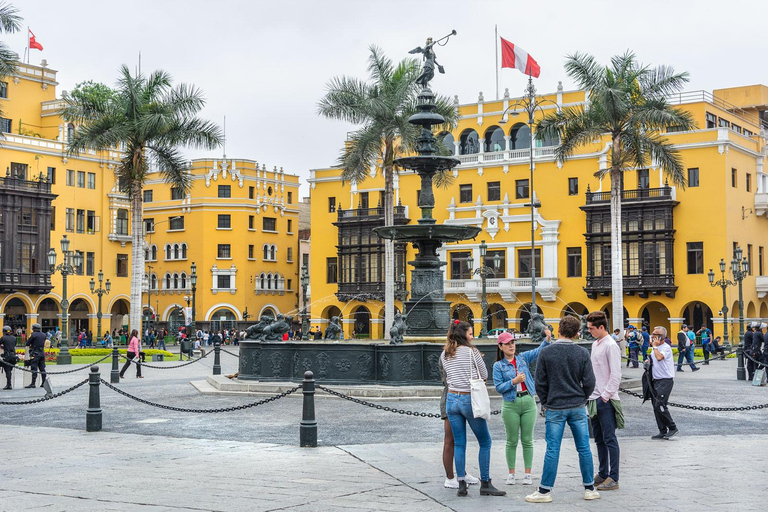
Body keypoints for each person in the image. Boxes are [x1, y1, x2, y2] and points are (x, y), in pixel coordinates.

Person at [525, 315, 598, 503]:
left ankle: (544, 491)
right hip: (577, 406)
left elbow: (540, 382)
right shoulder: (582, 353)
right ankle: (589, 488)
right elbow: (590, 381)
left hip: (555, 406)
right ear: (576, 333)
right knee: (584, 448)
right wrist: (582, 396)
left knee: (553, 449)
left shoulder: (547, 353)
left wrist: (546, 401)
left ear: (558, 330)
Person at [440, 320, 505, 498]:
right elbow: (484, 374)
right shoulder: (472, 352)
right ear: (464, 335)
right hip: (469, 399)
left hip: (452, 399)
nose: (472, 336)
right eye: (470, 333)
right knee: (485, 441)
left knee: (460, 443)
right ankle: (485, 482)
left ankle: (461, 483)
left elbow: (446, 376)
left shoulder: (444, 353)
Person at [493, 330, 551, 486]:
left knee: (527, 440)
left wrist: (547, 339)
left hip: (528, 401)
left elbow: (539, 351)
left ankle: (527, 474)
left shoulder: (522, 359)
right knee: (511, 441)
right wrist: (514, 381)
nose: (511, 346)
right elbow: (498, 387)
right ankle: (511, 473)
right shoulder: (498, 366)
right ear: (500, 346)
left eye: (513, 342)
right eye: (507, 343)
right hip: (510, 404)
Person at [585, 311, 621, 492]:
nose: (589, 331)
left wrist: (605, 396)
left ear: (601, 327)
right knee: (598, 439)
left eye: (591, 328)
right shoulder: (595, 344)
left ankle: (613, 477)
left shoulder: (611, 346)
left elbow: (616, 375)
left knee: (609, 439)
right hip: (594, 398)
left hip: (604, 399)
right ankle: (602, 472)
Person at [438, 357, 480, 489]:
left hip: (463, 395)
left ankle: (462, 473)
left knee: (459, 439)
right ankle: (450, 477)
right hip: (452, 395)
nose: (471, 336)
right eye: (469, 334)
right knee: (450, 439)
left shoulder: (459, 353)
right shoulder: (448, 355)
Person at [647, 326, 678, 440]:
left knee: (660, 404)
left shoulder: (666, 347)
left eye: (655, 334)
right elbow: (654, 359)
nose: (653, 336)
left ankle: (672, 427)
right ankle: (662, 430)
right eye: (653, 334)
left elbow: (659, 357)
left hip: (665, 380)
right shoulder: (655, 348)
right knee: (655, 406)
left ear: (662, 337)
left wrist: (654, 347)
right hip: (656, 380)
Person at [25, 323, 47, 388]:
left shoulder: (33, 335)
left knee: (34, 368)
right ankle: (43, 382)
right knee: (42, 368)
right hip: (42, 353)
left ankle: (33, 383)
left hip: (35, 353)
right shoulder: (43, 334)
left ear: (34, 329)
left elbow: (27, 343)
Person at [1, 325, 17, 390]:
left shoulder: (3, 337)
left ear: (4, 331)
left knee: (7, 370)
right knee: (10, 370)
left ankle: (9, 384)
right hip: (13, 356)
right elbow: (12, 345)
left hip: (7, 356)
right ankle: (9, 383)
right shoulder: (14, 338)